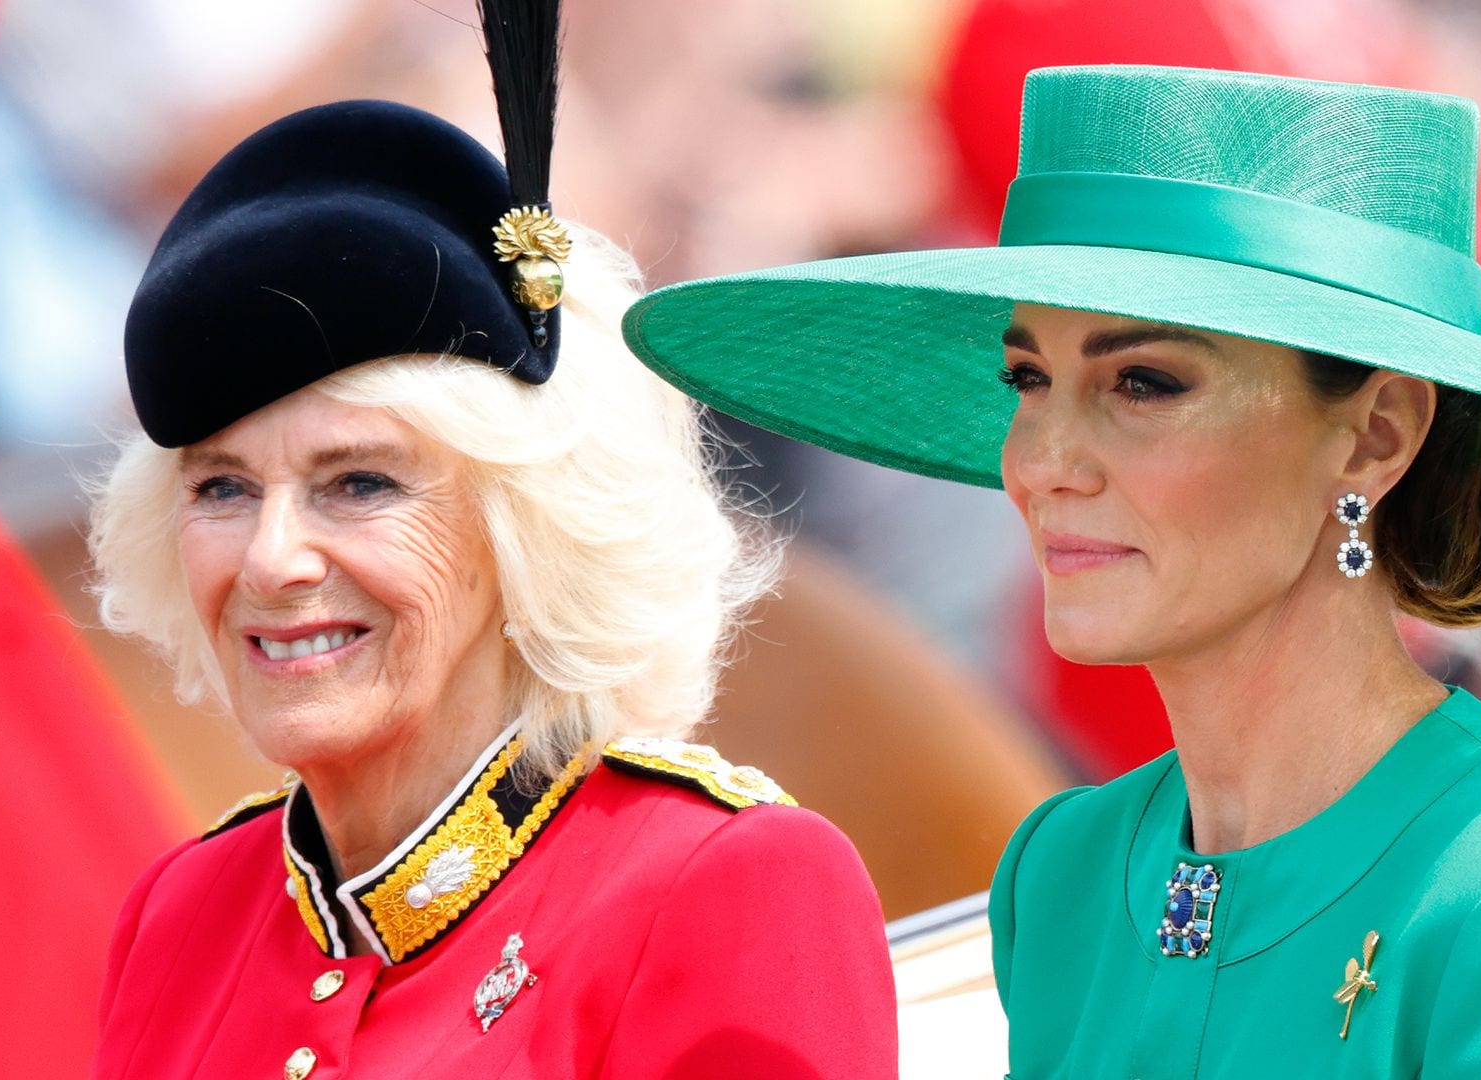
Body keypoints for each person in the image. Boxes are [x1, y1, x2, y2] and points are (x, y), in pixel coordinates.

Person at [620, 66, 1481, 1076]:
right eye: (1029, 379)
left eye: (1144, 383)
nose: (1043, 462)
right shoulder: (1068, 869)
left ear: (1377, 434)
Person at [85, 4, 896, 1077]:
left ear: (527, 526)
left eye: (360, 483)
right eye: (224, 489)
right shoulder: (181, 913)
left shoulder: (725, 882)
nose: (272, 558)